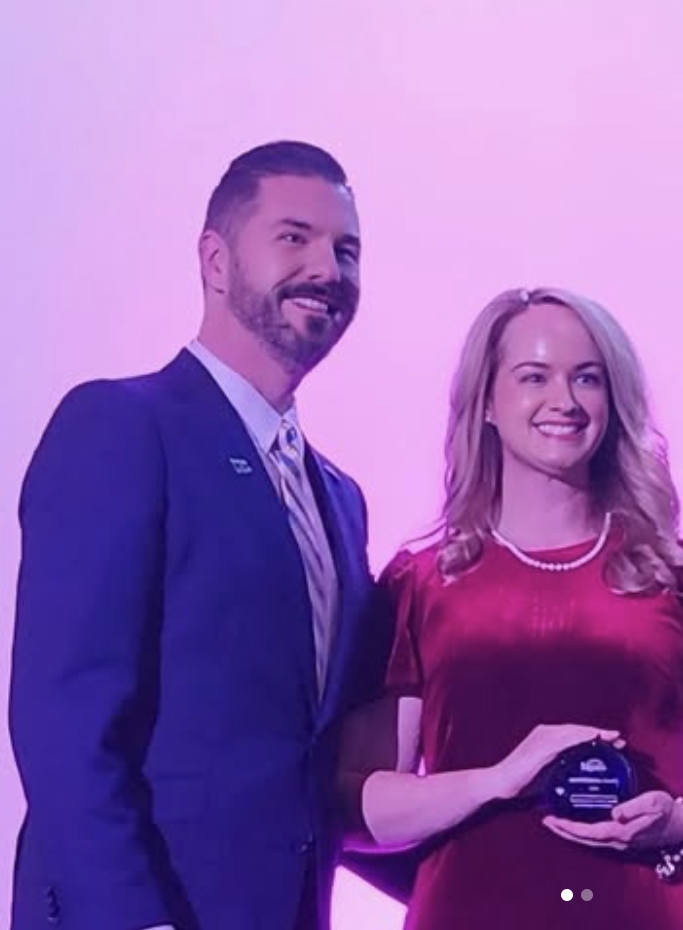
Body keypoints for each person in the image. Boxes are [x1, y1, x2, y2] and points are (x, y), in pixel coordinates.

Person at [9, 141, 401, 929]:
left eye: (347, 250)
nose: (327, 268)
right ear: (215, 261)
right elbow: (64, 721)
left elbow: (316, 764)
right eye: (294, 237)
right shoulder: (122, 427)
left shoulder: (341, 499)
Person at [337, 286, 683, 929]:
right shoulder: (422, 585)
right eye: (535, 377)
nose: (565, 400)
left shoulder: (681, 576)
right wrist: (496, 780)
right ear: (486, 401)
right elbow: (358, 802)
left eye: (587, 378)